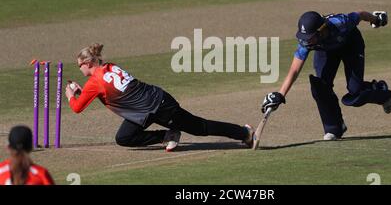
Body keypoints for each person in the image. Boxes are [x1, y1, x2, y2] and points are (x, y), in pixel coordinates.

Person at [65, 43, 254, 151]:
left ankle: (244, 133)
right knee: (124, 137)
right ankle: (167, 135)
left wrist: (70, 95)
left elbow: (77, 107)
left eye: (79, 65)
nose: (79, 68)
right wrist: (82, 93)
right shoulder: (111, 67)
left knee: (200, 128)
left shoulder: (93, 84)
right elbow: (111, 92)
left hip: (159, 106)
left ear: (88, 63)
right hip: (143, 111)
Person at [261, 11, 391, 140]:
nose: (306, 42)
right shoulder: (307, 43)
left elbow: (361, 15)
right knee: (320, 86)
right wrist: (280, 95)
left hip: (351, 44)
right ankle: (334, 128)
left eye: (310, 37)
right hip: (326, 50)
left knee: (355, 94)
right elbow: (294, 70)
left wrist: (376, 20)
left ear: (322, 29)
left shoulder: (341, 22)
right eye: (304, 38)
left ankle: (380, 90)